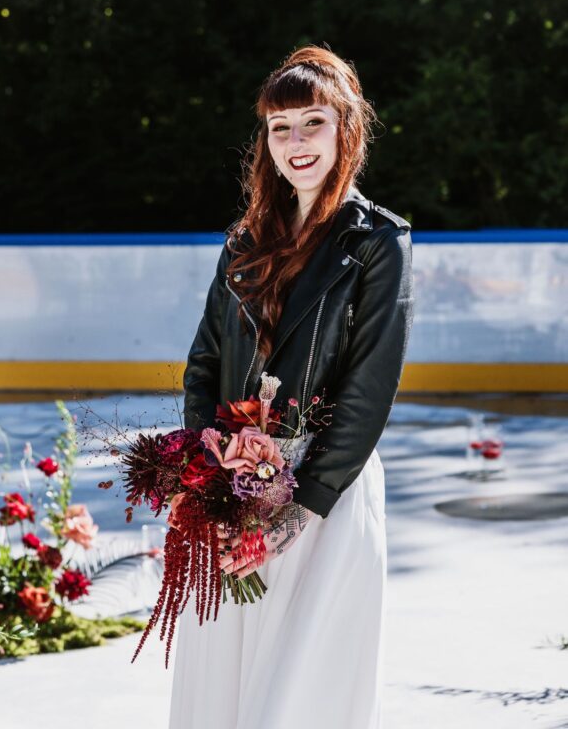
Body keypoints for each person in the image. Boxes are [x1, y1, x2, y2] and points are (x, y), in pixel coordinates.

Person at [168, 43, 415, 729]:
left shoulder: (378, 244)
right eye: (280, 127)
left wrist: (298, 513)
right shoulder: (243, 242)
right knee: (224, 695)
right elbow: (203, 364)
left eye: (312, 122)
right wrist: (207, 462)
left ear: (345, 129)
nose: (296, 142)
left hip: (323, 501)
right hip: (232, 495)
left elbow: (370, 389)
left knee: (297, 702)